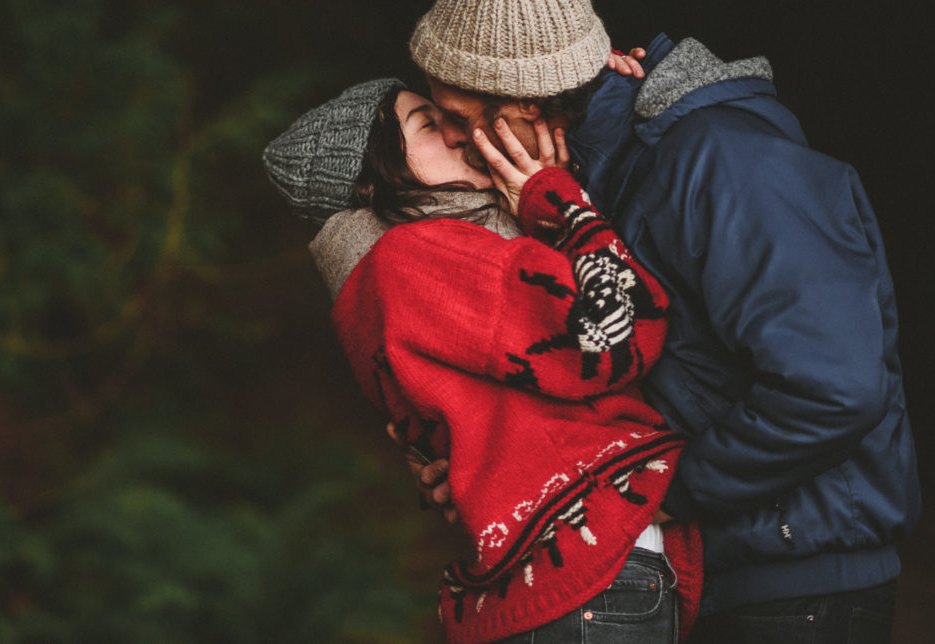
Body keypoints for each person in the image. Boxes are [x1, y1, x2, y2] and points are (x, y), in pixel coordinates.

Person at [400, 0, 922, 643]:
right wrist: (495, 467)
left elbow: (831, 387)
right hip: (690, 580)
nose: (459, 144)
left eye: (465, 119)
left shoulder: (726, 162)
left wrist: (656, 495)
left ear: (535, 100)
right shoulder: (581, 185)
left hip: (792, 590)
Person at [263, 78, 703, 643]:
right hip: (590, 573)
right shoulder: (419, 257)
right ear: (372, 180)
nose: (459, 134)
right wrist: (558, 198)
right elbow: (622, 329)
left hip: (567, 585)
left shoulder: (384, 279)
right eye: (427, 125)